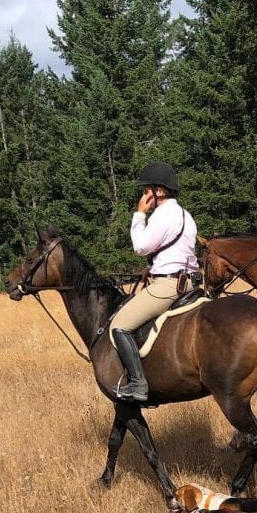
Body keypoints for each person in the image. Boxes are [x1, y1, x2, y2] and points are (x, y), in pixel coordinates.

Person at [110, 161, 199, 403]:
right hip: (190, 282)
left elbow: (140, 246)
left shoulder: (162, 215)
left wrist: (139, 214)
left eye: (146, 190)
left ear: (158, 191)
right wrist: (153, 267)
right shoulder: (185, 215)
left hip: (168, 286)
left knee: (119, 325)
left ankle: (138, 384)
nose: (144, 195)